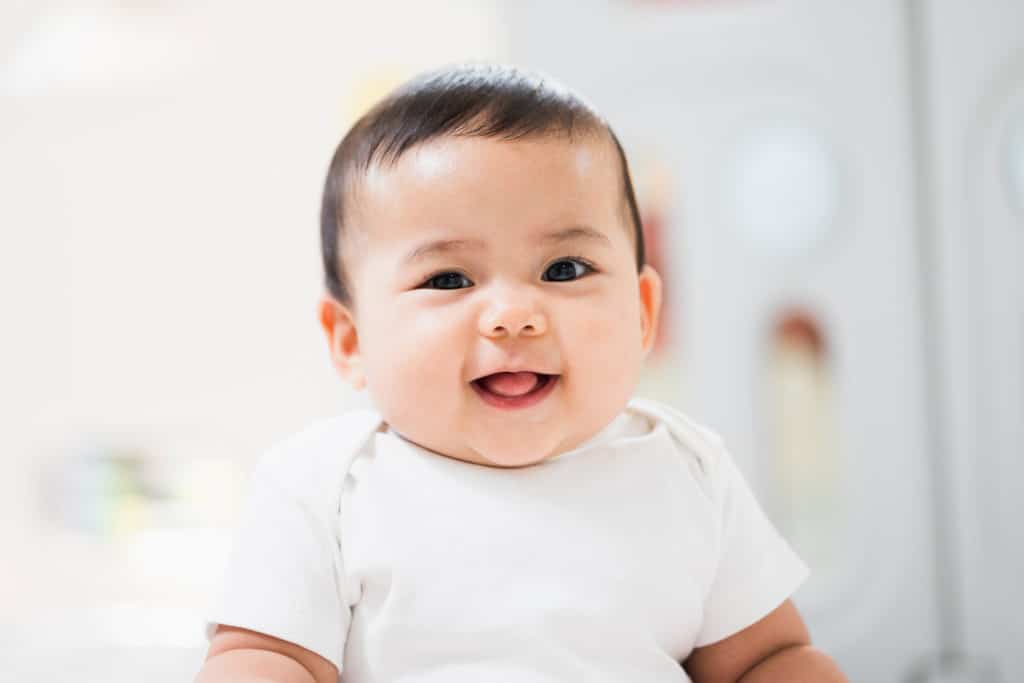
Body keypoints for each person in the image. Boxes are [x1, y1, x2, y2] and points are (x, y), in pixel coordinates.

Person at [196, 64, 847, 683]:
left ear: (642, 311)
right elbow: (262, 655)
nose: (513, 315)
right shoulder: (325, 486)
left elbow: (769, 656)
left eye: (564, 269)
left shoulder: (684, 469)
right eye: (448, 278)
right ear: (351, 339)